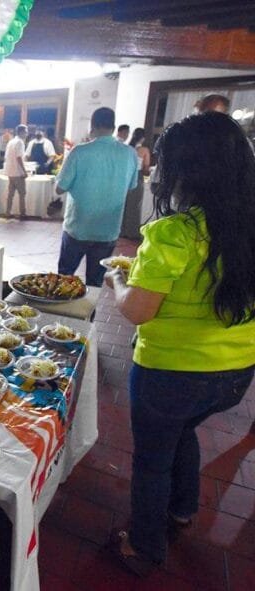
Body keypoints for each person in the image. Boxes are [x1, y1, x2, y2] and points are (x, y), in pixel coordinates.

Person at [104, 112, 255, 577]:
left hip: (171, 373)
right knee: (184, 431)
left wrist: (117, 281)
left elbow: (137, 311)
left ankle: (144, 548)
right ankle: (183, 509)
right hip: (236, 373)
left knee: (152, 461)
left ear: (184, 172)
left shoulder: (174, 232)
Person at [55, 107, 138, 286]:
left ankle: (60, 314)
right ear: (113, 126)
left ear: (92, 125)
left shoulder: (79, 151)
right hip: (108, 229)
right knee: (95, 282)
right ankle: (88, 315)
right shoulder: (129, 153)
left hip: (77, 227)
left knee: (64, 276)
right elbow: (131, 186)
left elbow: (59, 189)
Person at [120, 128, 151, 240]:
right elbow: (146, 168)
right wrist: (147, 180)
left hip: (125, 178)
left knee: (125, 204)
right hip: (137, 177)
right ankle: (132, 232)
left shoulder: (127, 148)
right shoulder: (144, 150)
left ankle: (121, 230)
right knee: (135, 205)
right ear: (143, 138)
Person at [4, 125, 28, 218]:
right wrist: (24, 171)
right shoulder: (20, 142)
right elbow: (19, 158)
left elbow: (7, 157)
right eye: (26, 132)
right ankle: (22, 213)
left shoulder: (11, 141)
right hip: (18, 172)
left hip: (10, 171)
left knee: (10, 194)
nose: (27, 134)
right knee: (22, 194)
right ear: (21, 132)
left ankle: (7, 212)